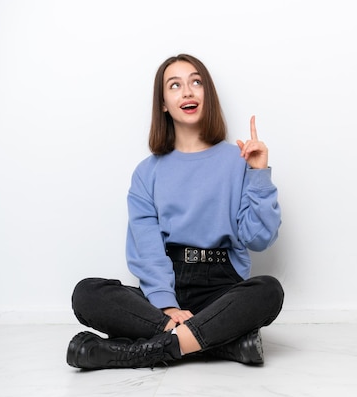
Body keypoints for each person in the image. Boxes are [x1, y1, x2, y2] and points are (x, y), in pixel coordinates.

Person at [66, 53, 284, 369]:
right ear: (164, 104)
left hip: (223, 284)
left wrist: (259, 174)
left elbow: (260, 238)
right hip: (167, 283)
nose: (187, 92)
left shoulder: (238, 161)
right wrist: (166, 308)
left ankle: (138, 352)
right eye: (175, 85)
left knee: (269, 291)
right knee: (87, 293)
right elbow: (148, 249)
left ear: (208, 95)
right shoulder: (147, 172)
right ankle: (223, 344)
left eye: (196, 82)